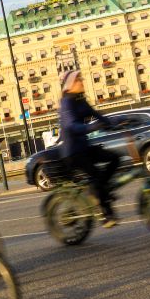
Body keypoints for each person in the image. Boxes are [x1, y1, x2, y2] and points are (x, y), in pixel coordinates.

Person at [58, 70, 120, 228]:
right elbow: (71, 126)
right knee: (96, 176)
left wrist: (117, 122)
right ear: (70, 84)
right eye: (78, 80)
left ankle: (100, 191)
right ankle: (105, 213)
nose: (82, 81)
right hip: (73, 152)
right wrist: (92, 127)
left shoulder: (81, 101)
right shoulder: (67, 103)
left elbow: (98, 115)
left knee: (115, 158)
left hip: (84, 148)